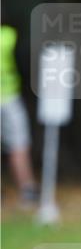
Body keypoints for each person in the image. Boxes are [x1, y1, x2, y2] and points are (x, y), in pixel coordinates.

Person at [1, 25, 39, 207]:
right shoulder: (10, 35)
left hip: (10, 97)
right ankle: (27, 189)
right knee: (19, 145)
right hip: (9, 97)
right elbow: (24, 66)